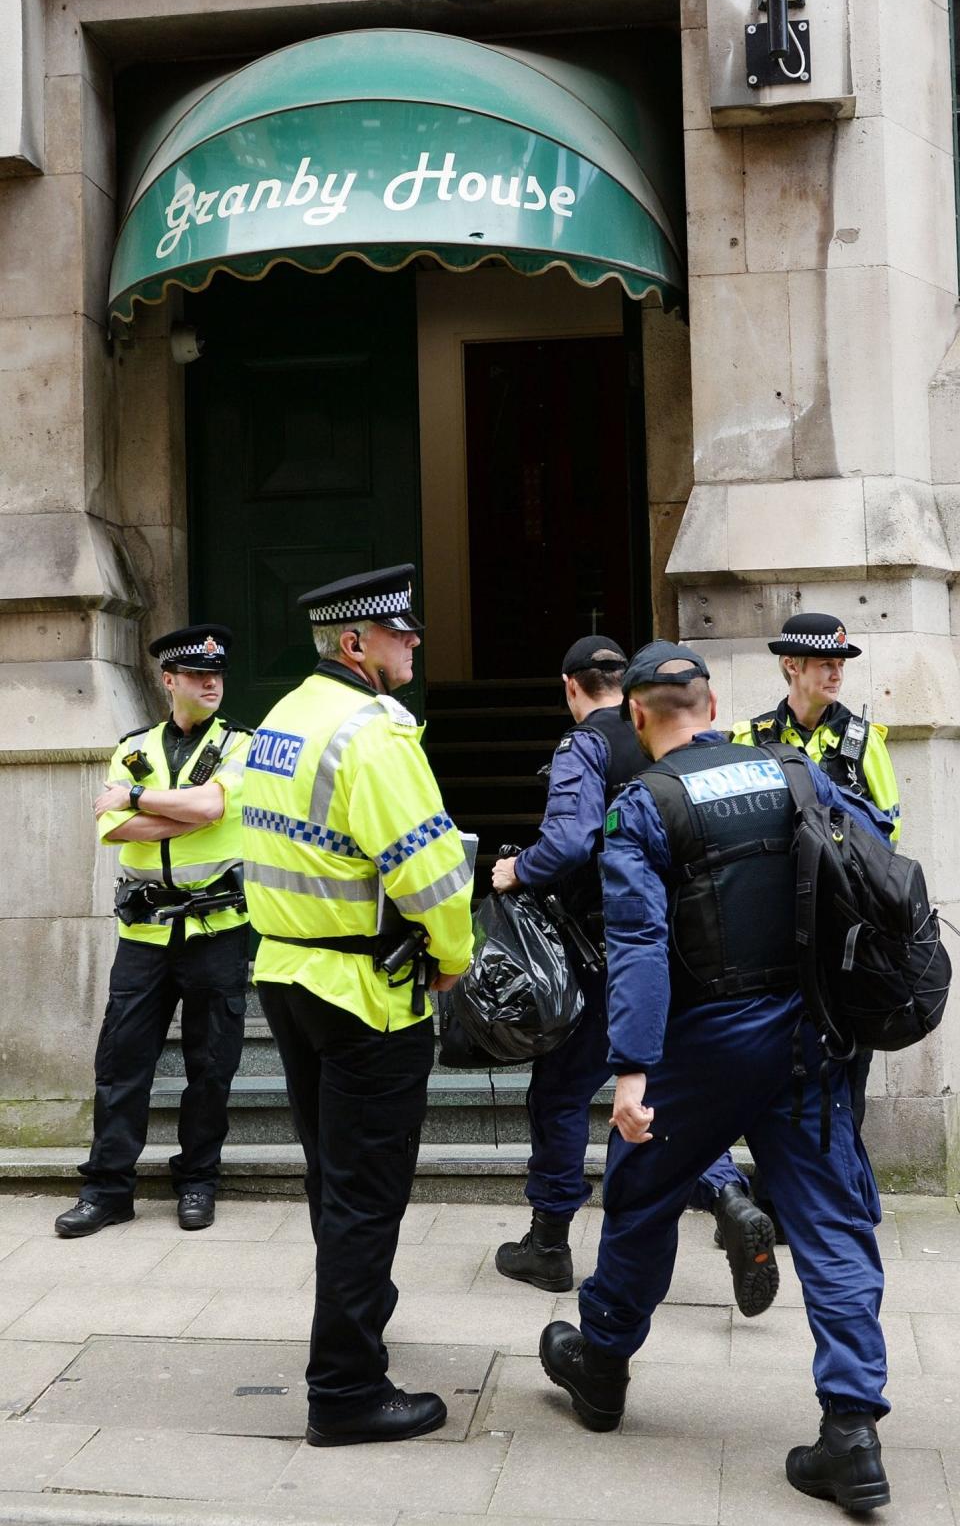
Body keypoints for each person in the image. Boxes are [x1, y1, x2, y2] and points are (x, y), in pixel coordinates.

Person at [539, 640, 894, 1514]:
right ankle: (852, 1432)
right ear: (713, 702)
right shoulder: (793, 772)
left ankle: (603, 1364)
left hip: (703, 1046)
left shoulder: (644, 806)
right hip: (808, 1036)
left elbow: (639, 947)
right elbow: (877, 851)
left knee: (642, 1191)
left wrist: (630, 1071)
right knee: (831, 1216)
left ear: (636, 714)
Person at [241, 564, 474, 1448]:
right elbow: (433, 873)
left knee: (332, 1174)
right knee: (366, 1193)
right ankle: (344, 1388)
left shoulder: (281, 720)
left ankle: (361, 1306)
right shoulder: (373, 735)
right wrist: (454, 958)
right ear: (354, 645)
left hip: (288, 975)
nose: (414, 641)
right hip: (367, 994)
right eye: (399, 631)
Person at [492, 636, 779, 1320]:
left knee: (560, 1091)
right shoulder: (683, 749)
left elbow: (569, 839)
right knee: (666, 1102)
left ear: (571, 687)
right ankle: (729, 1195)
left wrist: (517, 869)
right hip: (690, 954)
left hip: (607, 951)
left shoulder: (583, 746)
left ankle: (550, 1239)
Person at [55, 625, 251, 1238]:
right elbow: (112, 830)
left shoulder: (244, 744)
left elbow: (214, 809)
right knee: (120, 1063)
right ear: (169, 681)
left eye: (216, 674)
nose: (210, 682)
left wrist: (141, 799)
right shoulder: (133, 745)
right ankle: (109, 1188)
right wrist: (179, 810)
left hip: (217, 929)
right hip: (142, 933)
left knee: (211, 1064)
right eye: (196, 675)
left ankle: (198, 1181)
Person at [730, 611, 901, 1133]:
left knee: (850, 1063)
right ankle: (779, 1189)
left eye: (840, 664)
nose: (835, 674)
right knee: (773, 1062)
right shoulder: (748, 738)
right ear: (790, 665)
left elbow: (888, 836)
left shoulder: (864, 740)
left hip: (844, 931)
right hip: (773, 930)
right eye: (824, 663)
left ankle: (847, 1188)